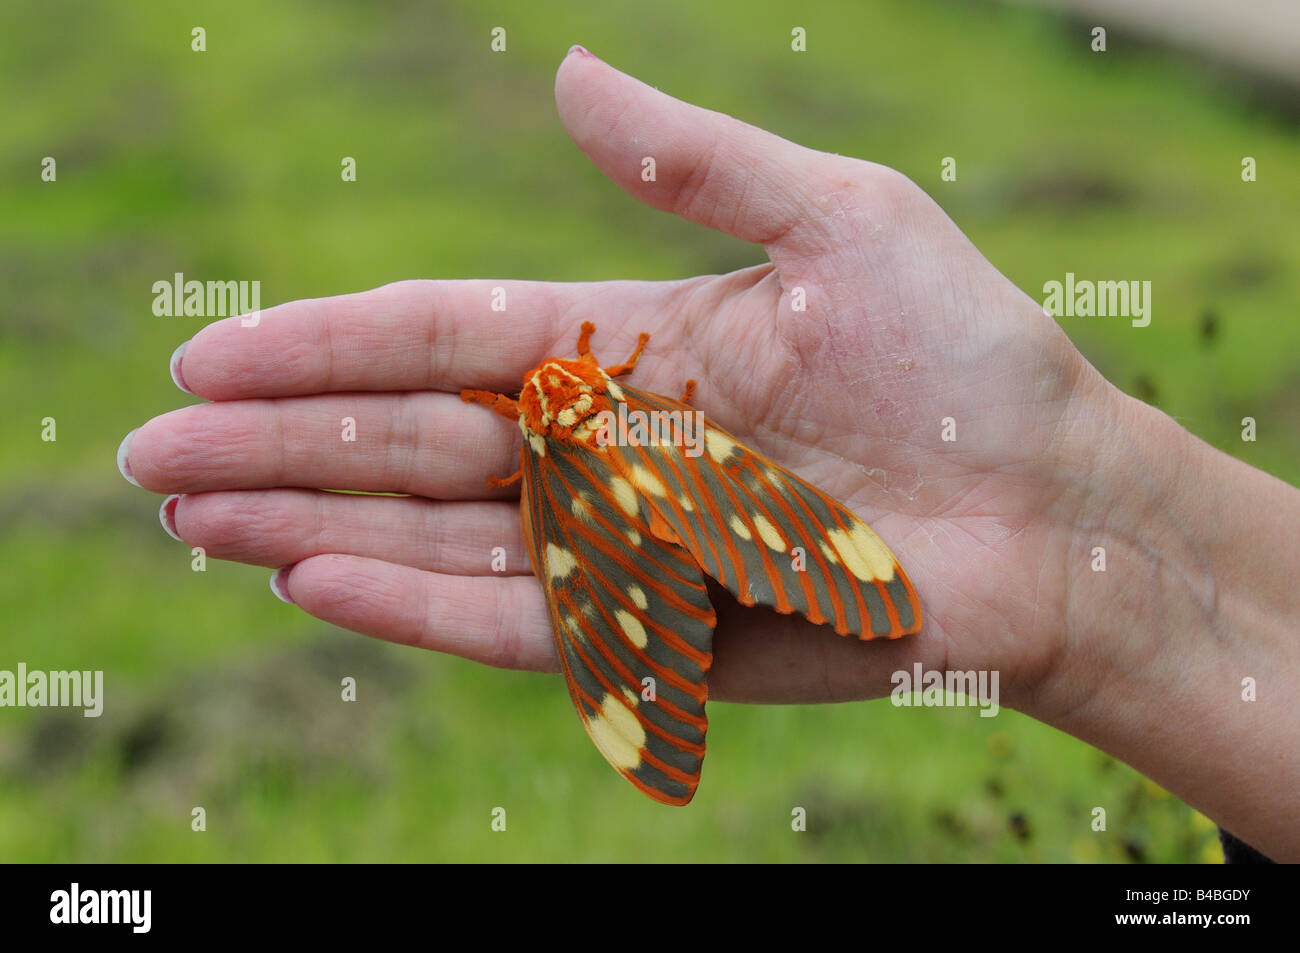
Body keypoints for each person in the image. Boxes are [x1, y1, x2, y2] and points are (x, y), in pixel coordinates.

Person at [117, 47, 1296, 861]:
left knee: (635, 583)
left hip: (602, 514)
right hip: (677, 463)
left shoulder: (548, 452)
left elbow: (535, 449)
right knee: (761, 542)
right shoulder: (624, 410)